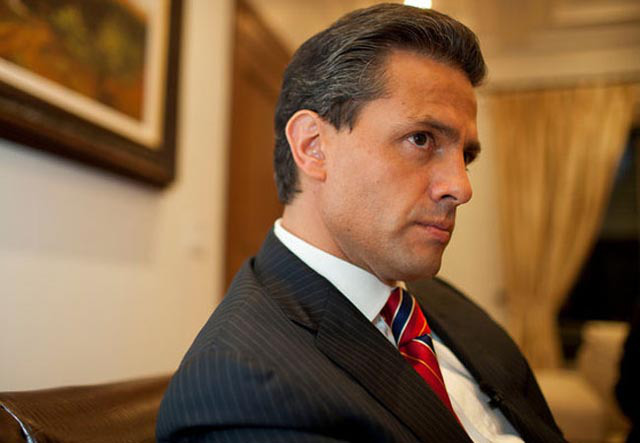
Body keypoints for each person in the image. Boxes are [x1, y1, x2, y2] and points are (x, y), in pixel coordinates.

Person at [156, 4, 566, 442]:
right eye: (421, 139)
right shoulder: (244, 392)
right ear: (313, 146)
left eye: (466, 156)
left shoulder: (438, 302)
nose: (461, 188)